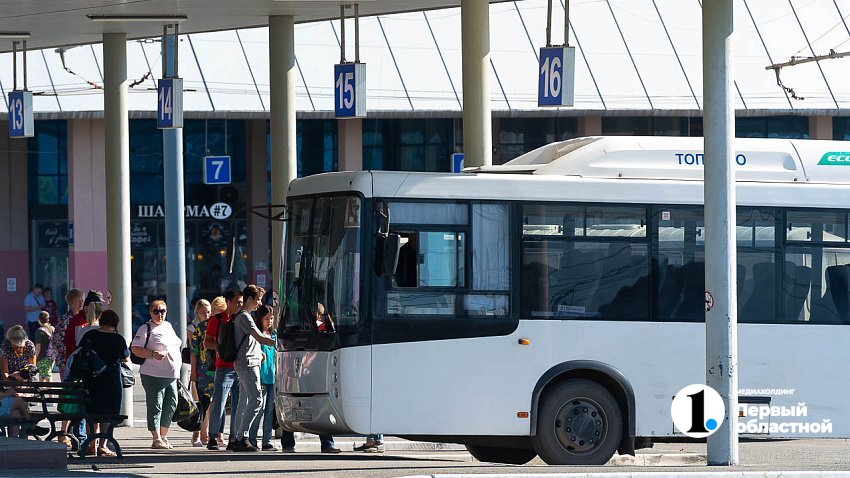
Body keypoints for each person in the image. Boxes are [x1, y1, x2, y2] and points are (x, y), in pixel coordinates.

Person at [131, 300, 182, 450]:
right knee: (156, 405)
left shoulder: (168, 326)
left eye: (163, 311)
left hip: (171, 375)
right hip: (153, 374)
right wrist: (153, 354)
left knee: (171, 404)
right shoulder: (145, 328)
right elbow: (135, 348)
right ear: (150, 312)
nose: (160, 314)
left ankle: (163, 436)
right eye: (156, 311)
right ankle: (156, 438)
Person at [79, 310, 129, 457]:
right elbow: (125, 357)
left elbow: (80, 352)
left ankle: (91, 444)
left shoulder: (90, 335)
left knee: (92, 411)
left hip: (91, 379)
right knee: (108, 413)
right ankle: (103, 445)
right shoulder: (118, 339)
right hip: (111, 380)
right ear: (115, 323)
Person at [231, 286, 275, 452]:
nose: (259, 303)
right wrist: (280, 342)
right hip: (248, 364)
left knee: (244, 401)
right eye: (258, 300)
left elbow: (251, 340)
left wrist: (259, 353)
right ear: (249, 299)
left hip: (247, 362)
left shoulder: (242, 315)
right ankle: (242, 437)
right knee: (257, 400)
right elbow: (260, 337)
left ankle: (238, 437)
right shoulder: (245, 317)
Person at [204, 288, 243, 451]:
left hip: (240, 368)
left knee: (238, 404)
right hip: (224, 367)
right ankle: (213, 436)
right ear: (229, 302)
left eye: (242, 302)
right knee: (219, 402)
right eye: (237, 302)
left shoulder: (242, 318)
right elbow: (206, 342)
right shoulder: (217, 319)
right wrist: (219, 348)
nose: (240, 305)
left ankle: (234, 437)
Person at [52, 288, 83, 448]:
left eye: (83, 300)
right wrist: (68, 357)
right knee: (69, 397)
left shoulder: (83, 318)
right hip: (68, 364)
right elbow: (57, 341)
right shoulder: (66, 320)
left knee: (77, 397)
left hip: (77, 363)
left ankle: (76, 433)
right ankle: (64, 433)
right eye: (79, 300)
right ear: (71, 302)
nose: (82, 303)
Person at [247, 304, 277, 450]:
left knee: (270, 411)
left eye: (271, 318)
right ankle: (252, 439)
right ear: (260, 319)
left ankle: (267, 440)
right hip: (261, 377)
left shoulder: (274, 335)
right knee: (258, 409)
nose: (269, 321)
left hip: (273, 377)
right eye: (266, 318)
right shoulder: (257, 335)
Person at [189, 299, 214, 447]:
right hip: (202, 371)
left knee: (212, 404)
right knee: (201, 403)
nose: (206, 315)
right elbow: (194, 352)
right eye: (203, 313)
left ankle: (208, 434)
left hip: (214, 370)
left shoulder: (215, 326)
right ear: (197, 313)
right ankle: (198, 433)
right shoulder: (198, 329)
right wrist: (193, 372)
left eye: (209, 312)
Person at [33, 311, 54, 382]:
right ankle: (44, 388)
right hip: (52, 355)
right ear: (48, 319)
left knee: (45, 375)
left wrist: (35, 357)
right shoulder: (52, 328)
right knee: (45, 374)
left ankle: (47, 389)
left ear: (39, 320)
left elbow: (38, 346)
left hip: (42, 356)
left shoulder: (39, 331)